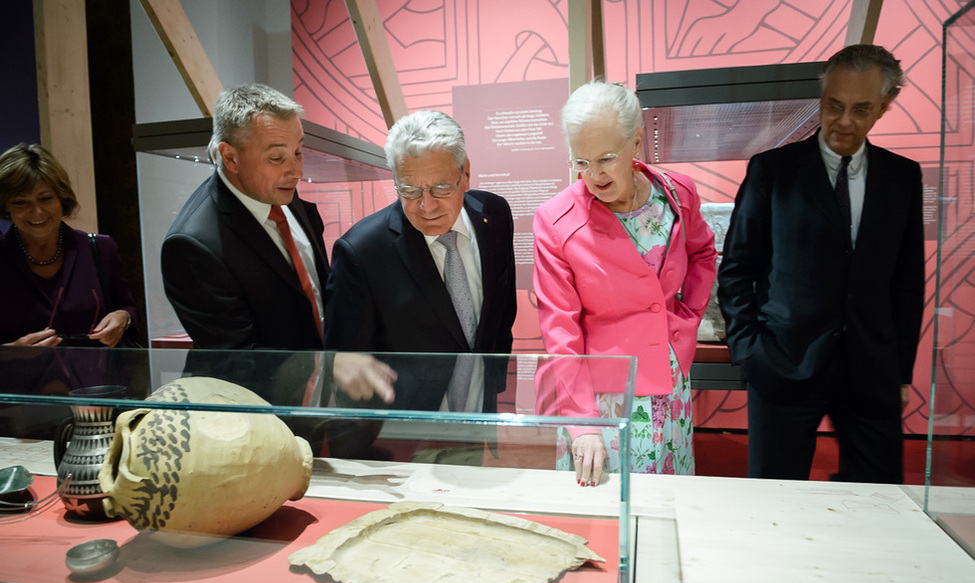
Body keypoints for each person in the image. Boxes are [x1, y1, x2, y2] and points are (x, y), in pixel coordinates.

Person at [717, 44, 925, 484]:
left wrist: (900, 370)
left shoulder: (902, 177)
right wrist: (750, 352)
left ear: (885, 105)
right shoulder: (772, 171)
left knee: (879, 504)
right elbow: (737, 268)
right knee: (774, 501)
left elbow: (908, 282)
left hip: (871, 372)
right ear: (822, 97)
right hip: (782, 366)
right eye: (834, 105)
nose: (844, 121)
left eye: (861, 108)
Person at [533, 81, 717, 486]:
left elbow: (703, 253)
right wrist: (583, 425)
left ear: (636, 143)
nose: (593, 175)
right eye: (580, 162)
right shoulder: (556, 221)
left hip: (669, 387)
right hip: (602, 394)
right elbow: (560, 331)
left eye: (605, 158)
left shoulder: (677, 194)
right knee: (603, 512)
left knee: (667, 504)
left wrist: (685, 319)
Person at [324, 110, 517, 413]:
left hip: (479, 412)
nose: (426, 206)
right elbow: (347, 366)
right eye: (410, 190)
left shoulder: (494, 214)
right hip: (403, 434)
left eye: (441, 187)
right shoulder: (362, 251)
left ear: (464, 174)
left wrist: (493, 386)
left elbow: (502, 312)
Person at [161, 83, 330, 352]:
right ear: (230, 157)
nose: (296, 171)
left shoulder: (281, 191)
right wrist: (330, 369)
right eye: (276, 157)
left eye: (298, 152)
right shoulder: (192, 246)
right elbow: (237, 356)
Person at [0, 143, 137, 349]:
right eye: (21, 202)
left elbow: (128, 308)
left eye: (46, 198)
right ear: (6, 206)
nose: (37, 211)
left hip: (99, 379)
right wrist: (9, 354)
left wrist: (122, 317)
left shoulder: (99, 249)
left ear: (61, 198)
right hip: (20, 381)